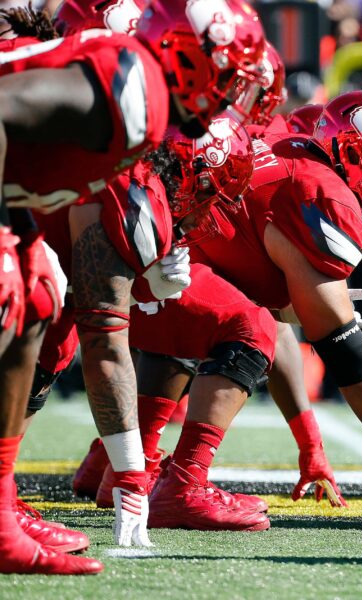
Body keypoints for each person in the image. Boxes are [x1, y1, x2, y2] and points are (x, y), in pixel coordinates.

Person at [0, 0, 266, 574]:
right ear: (187, 59)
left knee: (36, 287)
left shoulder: (140, 131)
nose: (230, 102)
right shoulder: (136, 89)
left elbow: (103, 328)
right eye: (226, 79)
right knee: (20, 284)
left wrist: (130, 476)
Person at [182, 90, 362, 502]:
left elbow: (277, 329)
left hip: (152, 266)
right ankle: (185, 482)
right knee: (249, 324)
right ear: (353, 155)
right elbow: (344, 352)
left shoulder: (285, 142)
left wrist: (310, 444)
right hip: (158, 276)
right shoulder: (321, 195)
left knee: (254, 317)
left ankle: (115, 465)